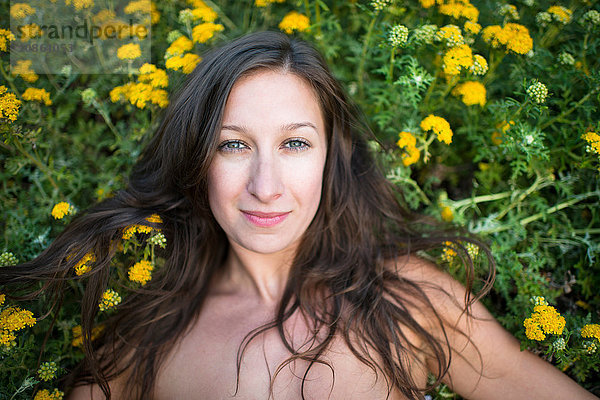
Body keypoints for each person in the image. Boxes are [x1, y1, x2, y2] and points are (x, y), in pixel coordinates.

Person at [2, 31, 597, 400]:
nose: (266, 186)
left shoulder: (412, 302)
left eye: (295, 144)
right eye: (233, 145)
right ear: (196, 162)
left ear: (328, 159)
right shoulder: (142, 345)